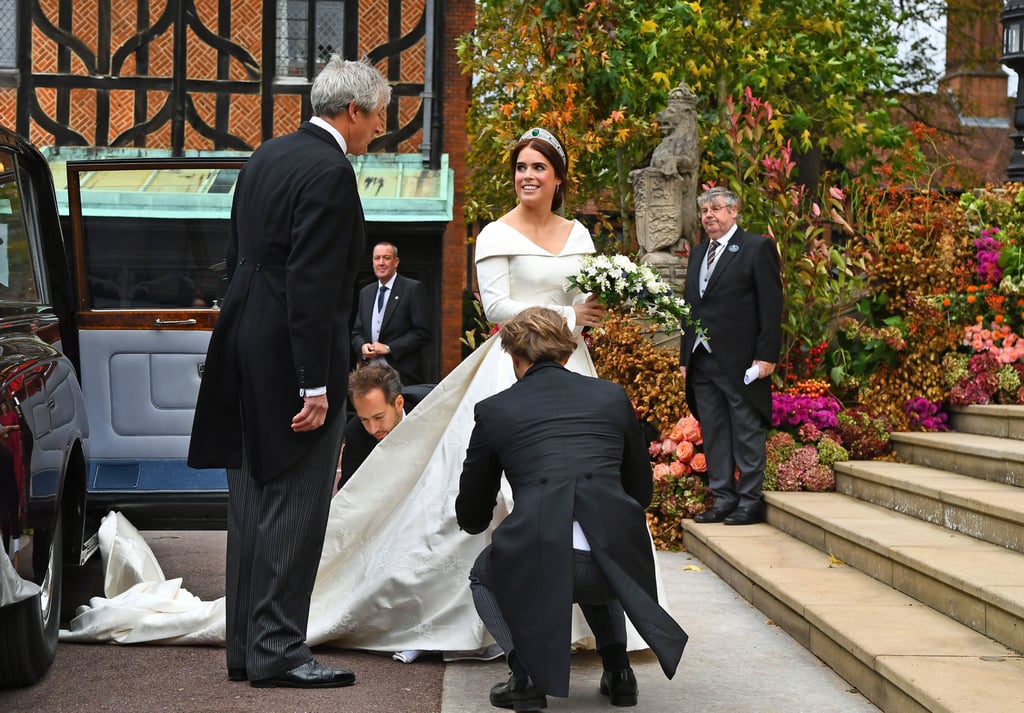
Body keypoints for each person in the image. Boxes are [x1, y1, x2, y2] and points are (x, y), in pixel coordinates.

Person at [59, 127, 668, 667]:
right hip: (509, 368)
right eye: (520, 166)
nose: (527, 175)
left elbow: (592, 301)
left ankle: (592, 631)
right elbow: (500, 309)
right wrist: (565, 312)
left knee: (590, 489)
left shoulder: (581, 234)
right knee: (498, 492)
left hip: (573, 363)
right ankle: (502, 626)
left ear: (559, 178)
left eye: (539, 167)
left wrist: (588, 315)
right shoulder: (495, 234)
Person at [186, 55, 391, 688]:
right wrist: (315, 382)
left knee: (249, 499)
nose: (380, 129)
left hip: (243, 340)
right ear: (352, 110)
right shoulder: (331, 171)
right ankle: (279, 649)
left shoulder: (265, 156)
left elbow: (235, 256)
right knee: (296, 505)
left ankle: (248, 647)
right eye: (379, 115)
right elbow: (314, 282)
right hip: (291, 356)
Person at [457, 307, 688, 710]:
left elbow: (474, 508)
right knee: (604, 542)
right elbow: (641, 490)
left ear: (514, 358)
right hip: (618, 565)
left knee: (483, 575)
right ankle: (619, 673)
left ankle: (525, 676)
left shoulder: (495, 410)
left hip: (543, 561)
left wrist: (477, 522)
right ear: (566, 355)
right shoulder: (611, 396)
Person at [679, 186, 783, 526]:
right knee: (714, 431)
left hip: (741, 361)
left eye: (716, 209)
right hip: (702, 360)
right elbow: (691, 307)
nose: (709, 215)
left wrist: (766, 356)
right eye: (705, 210)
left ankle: (750, 502)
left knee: (746, 430)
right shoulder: (697, 253)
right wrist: (684, 358)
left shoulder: (756, 248)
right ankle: (723, 499)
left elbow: (771, 306)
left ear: (734, 212)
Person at [338, 363, 432, 489]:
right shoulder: (355, 433)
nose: (373, 429)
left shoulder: (431, 404)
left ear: (399, 403)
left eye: (379, 417)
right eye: (364, 419)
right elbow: (349, 491)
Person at [351, 242, 432, 385]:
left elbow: (422, 333)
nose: (381, 263)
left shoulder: (413, 289)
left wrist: (389, 348)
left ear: (396, 262)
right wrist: (362, 346)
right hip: (370, 375)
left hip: (401, 375)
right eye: (377, 258)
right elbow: (357, 332)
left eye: (386, 258)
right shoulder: (366, 292)